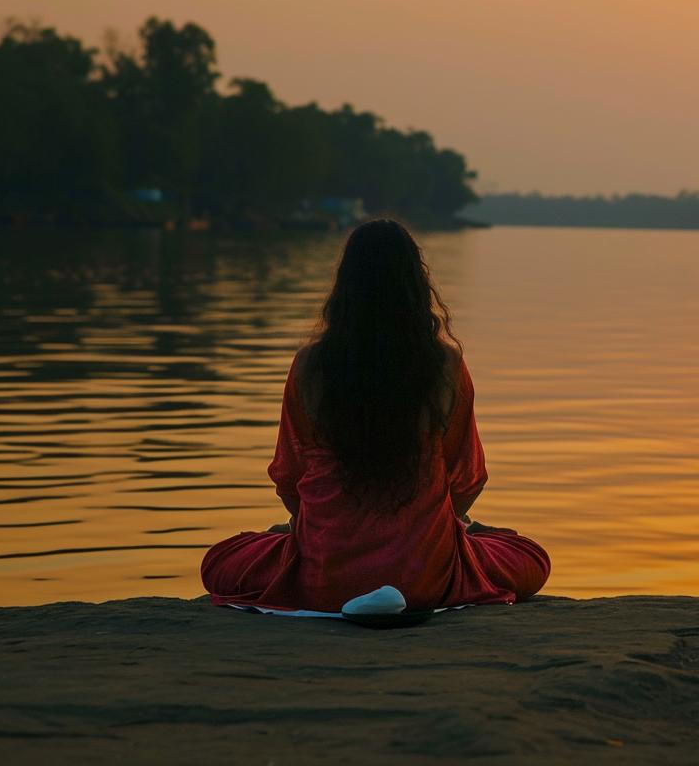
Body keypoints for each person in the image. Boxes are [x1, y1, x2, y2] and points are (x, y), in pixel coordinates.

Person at [201, 219, 549, 612]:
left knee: (220, 560)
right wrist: (445, 526)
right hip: (425, 577)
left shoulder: (310, 365)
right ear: (416, 285)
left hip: (325, 577)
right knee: (529, 555)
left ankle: (309, 549)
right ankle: (461, 540)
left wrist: (304, 530)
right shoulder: (445, 365)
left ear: (345, 285)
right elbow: (466, 480)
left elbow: (290, 479)